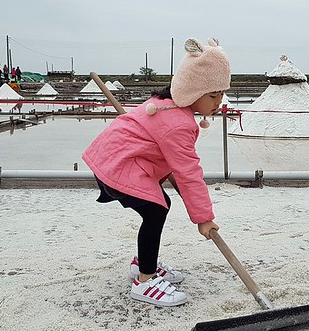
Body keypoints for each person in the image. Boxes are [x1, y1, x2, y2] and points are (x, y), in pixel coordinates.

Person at [82, 38, 231, 307]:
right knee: (156, 209)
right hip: (119, 165)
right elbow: (189, 173)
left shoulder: (164, 103)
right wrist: (204, 218)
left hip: (115, 159)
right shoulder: (177, 123)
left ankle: (142, 263)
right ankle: (145, 280)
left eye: (222, 93)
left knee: (158, 207)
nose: (219, 101)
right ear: (191, 89)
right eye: (212, 94)